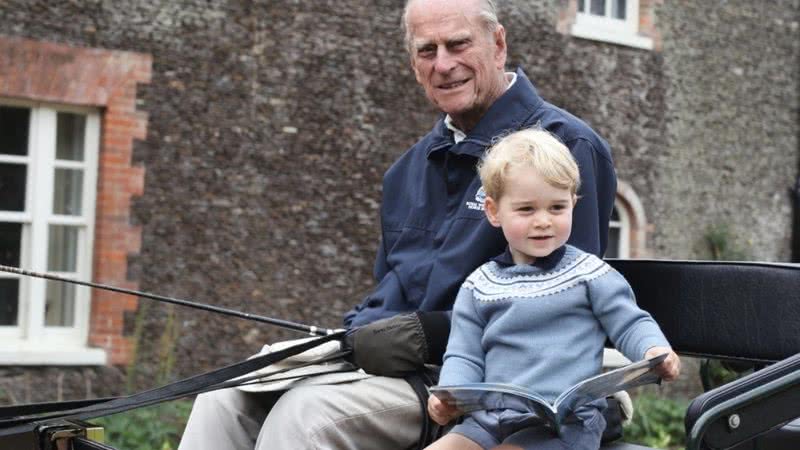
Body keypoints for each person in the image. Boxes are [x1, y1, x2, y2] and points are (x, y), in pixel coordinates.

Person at [178, 0, 618, 449]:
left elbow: (563, 308)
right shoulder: (406, 171)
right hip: (387, 371)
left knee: (306, 414)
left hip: (483, 387)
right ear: (414, 65)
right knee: (227, 393)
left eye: (458, 44)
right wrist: (356, 334)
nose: (444, 64)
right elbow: (389, 293)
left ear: (498, 44)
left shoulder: (565, 146)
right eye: (427, 51)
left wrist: (426, 334)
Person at [424, 129, 681, 450]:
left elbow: (630, 323)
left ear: (573, 203)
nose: (543, 220)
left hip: (565, 425)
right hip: (490, 420)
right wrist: (450, 394)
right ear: (493, 211)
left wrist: (654, 350)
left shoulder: (590, 274)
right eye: (527, 209)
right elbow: (464, 354)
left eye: (557, 208)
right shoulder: (479, 285)